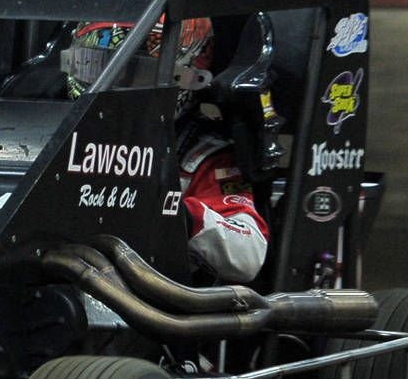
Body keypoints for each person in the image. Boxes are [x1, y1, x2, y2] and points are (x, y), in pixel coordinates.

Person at [61, 16, 268, 284]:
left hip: (150, 302)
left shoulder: (201, 153)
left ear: (186, 74)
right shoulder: (59, 137)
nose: (114, 84)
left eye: (137, 73)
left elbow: (249, 252)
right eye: (96, 67)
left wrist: (179, 216)